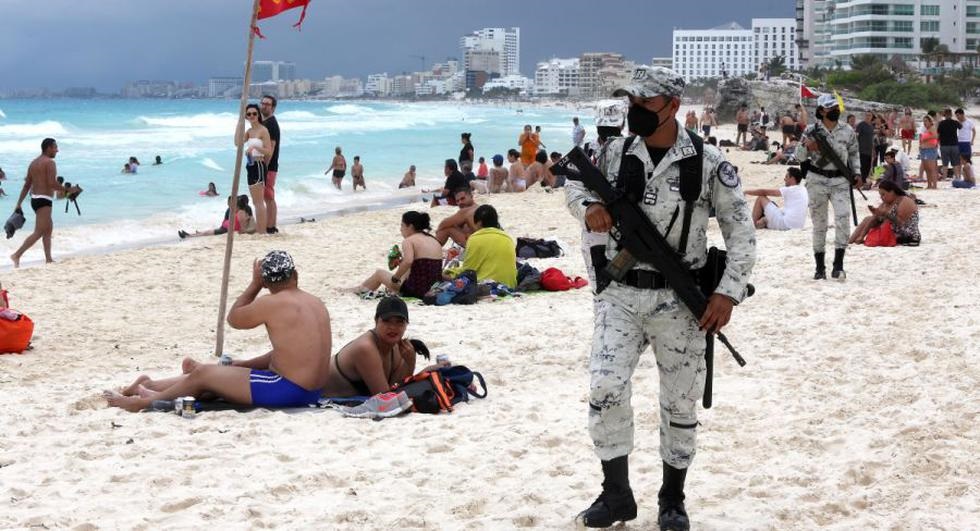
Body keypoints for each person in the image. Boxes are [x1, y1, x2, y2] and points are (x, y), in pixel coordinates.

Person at [565, 66, 756, 530]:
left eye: (645, 105)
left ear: (673, 106)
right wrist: (588, 207)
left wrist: (728, 294)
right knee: (605, 388)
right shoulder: (612, 151)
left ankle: (672, 499)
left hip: (680, 300)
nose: (635, 112)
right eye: (631, 104)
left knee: (679, 403)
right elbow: (574, 181)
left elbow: (742, 232)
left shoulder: (709, 163)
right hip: (621, 295)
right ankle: (617, 495)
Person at [104, 251, 332, 411]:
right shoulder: (316, 302)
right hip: (311, 390)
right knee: (216, 378)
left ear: (266, 282)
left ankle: (141, 403)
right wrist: (242, 365)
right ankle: (151, 386)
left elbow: (234, 318)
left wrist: (253, 285)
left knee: (205, 375)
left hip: (290, 391)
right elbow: (291, 354)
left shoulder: (272, 302)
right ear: (295, 275)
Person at [795, 93, 861, 280]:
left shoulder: (847, 130)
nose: (835, 111)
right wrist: (808, 147)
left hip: (840, 180)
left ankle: (838, 265)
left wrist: (857, 174)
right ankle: (819, 268)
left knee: (843, 219)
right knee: (819, 224)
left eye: (836, 108)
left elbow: (854, 153)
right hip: (817, 180)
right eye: (830, 108)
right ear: (822, 111)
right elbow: (799, 157)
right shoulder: (811, 130)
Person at [323, 296, 417, 397]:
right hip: (316, 394)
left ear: (406, 324)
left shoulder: (398, 349)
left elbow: (396, 387)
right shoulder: (366, 348)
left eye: (399, 322)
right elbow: (385, 398)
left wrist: (410, 362)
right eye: (387, 321)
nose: (393, 327)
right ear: (376, 321)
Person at [10, 139, 79, 267]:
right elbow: (52, 184)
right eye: (55, 148)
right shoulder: (50, 163)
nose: (57, 150)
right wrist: (69, 190)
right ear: (48, 148)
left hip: (35, 200)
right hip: (44, 200)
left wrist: (19, 203)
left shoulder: (33, 163)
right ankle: (16, 255)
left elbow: (26, 186)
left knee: (48, 229)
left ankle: (48, 259)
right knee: (39, 231)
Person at [353, 211, 445, 298]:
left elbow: (408, 261)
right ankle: (363, 288)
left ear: (410, 226)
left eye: (402, 225)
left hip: (417, 290)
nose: (400, 229)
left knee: (379, 273)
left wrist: (395, 278)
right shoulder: (433, 240)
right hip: (434, 289)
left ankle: (360, 290)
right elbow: (427, 265)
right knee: (406, 267)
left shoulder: (409, 241)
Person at [444, 204, 517, 288]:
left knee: (446, 277)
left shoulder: (475, 238)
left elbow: (469, 270)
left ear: (479, 222)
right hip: (510, 285)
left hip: (488, 286)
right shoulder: (507, 238)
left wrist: (449, 271)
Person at [849, 180, 920, 245]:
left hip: (907, 234)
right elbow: (876, 218)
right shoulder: (887, 202)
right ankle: (853, 240)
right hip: (893, 230)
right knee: (868, 218)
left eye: (883, 194)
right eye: (880, 195)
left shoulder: (904, 201)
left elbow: (901, 223)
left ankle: (857, 239)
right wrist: (876, 213)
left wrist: (884, 214)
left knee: (879, 219)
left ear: (892, 192)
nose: (882, 197)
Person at [179, 195, 252, 239]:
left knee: (206, 233)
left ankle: (189, 236)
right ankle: (191, 234)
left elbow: (244, 223)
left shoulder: (242, 210)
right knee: (206, 232)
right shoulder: (231, 209)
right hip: (225, 228)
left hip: (226, 229)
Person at [259, 95, 281, 234]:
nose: (264, 106)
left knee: (269, 196)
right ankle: (270, 225)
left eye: (267, 104)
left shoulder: (271, 123)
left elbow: (271, 147)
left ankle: (271, 226)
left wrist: (264, 167)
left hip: (269, 165)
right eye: (263, 103)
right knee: (267, 196)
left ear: (273, 107)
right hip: (265, 164)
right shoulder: (265, 122)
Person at [937, 108, 962, 180]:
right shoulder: (955, 122)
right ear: (951, 114)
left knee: (945, 163)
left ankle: (944, 177)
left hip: (944, 145)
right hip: (954, 145)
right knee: (955, 163)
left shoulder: (941, 123)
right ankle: (957, 177)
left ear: (944, 115)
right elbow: (961, 126)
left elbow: (938, 134)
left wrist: (937, 142)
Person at [919, 115, 940, 189]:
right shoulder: (926, 130)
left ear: (930, 121)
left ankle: (934, 185)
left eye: (926, 121)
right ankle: (929, 185)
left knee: (932, 169)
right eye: (923, 121)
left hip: (930, 150)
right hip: (924, 150)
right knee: (927, 169)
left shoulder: (932, 128)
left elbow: (936, 136)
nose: (924, 123)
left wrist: (925, 140)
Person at [855, 111, 876, 182]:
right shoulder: (861, 125)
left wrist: (873, 150)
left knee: (867, 167)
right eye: (867, 115)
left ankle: (863, 181)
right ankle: (860, 181)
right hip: (861, 149)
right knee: (862, 167)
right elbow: (856, 136)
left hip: (869, 150)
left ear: (872, 117)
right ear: (865, 116)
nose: (868, 117)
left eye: (869, 115)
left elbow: (872, 139)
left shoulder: (871, 126)